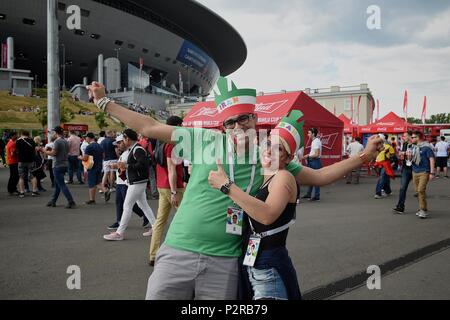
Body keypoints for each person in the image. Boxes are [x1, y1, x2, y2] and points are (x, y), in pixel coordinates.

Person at [86, 78, 383, 300]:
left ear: (255, 119)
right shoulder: (204, 140)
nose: (238, 126)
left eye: (244, 118)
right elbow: (149, 127)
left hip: (225, 260)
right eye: (231, 122)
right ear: (223, 126)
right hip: (178, 251)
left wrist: (363, 157)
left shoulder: (268, 156)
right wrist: (104, 102)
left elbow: (318, 177)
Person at [208, 110, 304, 299]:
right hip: (256, 261)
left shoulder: (284, 177)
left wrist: (226, 185)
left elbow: (267, 215)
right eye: (268, 143)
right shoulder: (265, 179)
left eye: (279, 149)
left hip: (269, 267)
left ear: (288, 158)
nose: (269, 150)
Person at [103, 129, 156, 241]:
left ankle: (119, 233)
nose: (123, 141)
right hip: (137, 181)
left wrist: (126, 166)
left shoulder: (137, 149)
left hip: (137, 182)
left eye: (124, 139)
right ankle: (155, 227)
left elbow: (143, 164)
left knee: (127, 206)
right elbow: (141, 165)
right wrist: (124, 166)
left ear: (128, 138)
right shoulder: (136, 148)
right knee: (143, 205)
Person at [147, 116, 186, 266]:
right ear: (176, 126)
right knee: (184, 220)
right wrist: (175, 192)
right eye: (181, 125)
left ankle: (153, 254)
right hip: (172, 187)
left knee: (160, 221)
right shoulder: (171, 145)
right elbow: (172, 170)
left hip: (162, 185)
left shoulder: (159, 143)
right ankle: (181, 253)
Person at [107, 134, 149, 230]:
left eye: (119, 142)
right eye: (117, 143)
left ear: (126, 140)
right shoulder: (126, 152)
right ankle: (120, 222)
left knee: (129, 205)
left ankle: (120, 230)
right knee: (122, 203)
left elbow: (132, 165)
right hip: (124, 181)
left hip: (128, 181)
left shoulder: (132, 151)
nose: (118, 145)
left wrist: (119, 166)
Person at [44, 126, 76, 209]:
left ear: (56, 133)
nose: (52, 134)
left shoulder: (57, 141)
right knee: (58, 184)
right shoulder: (65, 141)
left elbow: (54, 153)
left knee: (61, 184)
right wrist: (51, 149)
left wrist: (44, 151)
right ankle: (53, 200)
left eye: (53, 132)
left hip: (57, 165)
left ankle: (71, 201)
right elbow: (63, 151)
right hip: (64, 164)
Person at [411, 131, 436, 219]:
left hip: (424, 171)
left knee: (421, 190)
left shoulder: (426, 147)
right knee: (417, 191)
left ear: (418, 138)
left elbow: (431, 159)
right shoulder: (413, 147)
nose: (412, 139)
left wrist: (432, 173)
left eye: (413, 137)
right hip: (414, 171)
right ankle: (422, 207)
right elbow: (411, 159)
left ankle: (423, 210)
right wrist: (407, 157)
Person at [80, 132, 110, 204]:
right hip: (99, 166)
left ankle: (92, 199)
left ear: (89, 138)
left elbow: (85, 158)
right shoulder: (99, 146)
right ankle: (105, 190)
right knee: (97, 182)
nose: (85, 139)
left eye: (86, 137)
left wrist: (80, 157)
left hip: (92, 167)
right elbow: (103, 156)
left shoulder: (89, 147)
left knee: (91, 183)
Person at [393, 131, 414, 214]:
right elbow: (402, 156)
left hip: (415, 168)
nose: (403, 137)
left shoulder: (415, 144)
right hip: (406, 168)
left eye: (405, 136)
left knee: (420, 190)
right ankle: (400, 207)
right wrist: (401, 155)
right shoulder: (405, 144)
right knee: (402, 188)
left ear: (409, 136)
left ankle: (423, 208)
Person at [16, 130, 39, 197]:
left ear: (22, 134)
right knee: (33, 176)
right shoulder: (32, 141)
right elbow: (34, 150)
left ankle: (22, 192)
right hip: (31, 161)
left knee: (21, 177)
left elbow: (17, 151)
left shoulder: (18, 141)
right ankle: (34, 191)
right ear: (28, 134)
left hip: (21, 161)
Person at [302, 128, 322, 201]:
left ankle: (317, 196)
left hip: (315, 161)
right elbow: (313, 153)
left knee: (316, 179)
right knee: (311, 179)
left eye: (309, 133)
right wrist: (307, 156)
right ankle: (309, 194)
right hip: (313, 161)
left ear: (313, 134)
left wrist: (307, 156)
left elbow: (316, 154)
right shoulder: (315, 141)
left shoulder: (316, 142)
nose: (308, 135)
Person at [374, 134, 395, 199]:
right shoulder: (374, 147)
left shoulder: (388, 146)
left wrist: (392, 162)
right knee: (385, 177)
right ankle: (388, 191)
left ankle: (378, 193)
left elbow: (392, 155)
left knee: (382, 178)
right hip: (377, 164)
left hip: (385, 164)